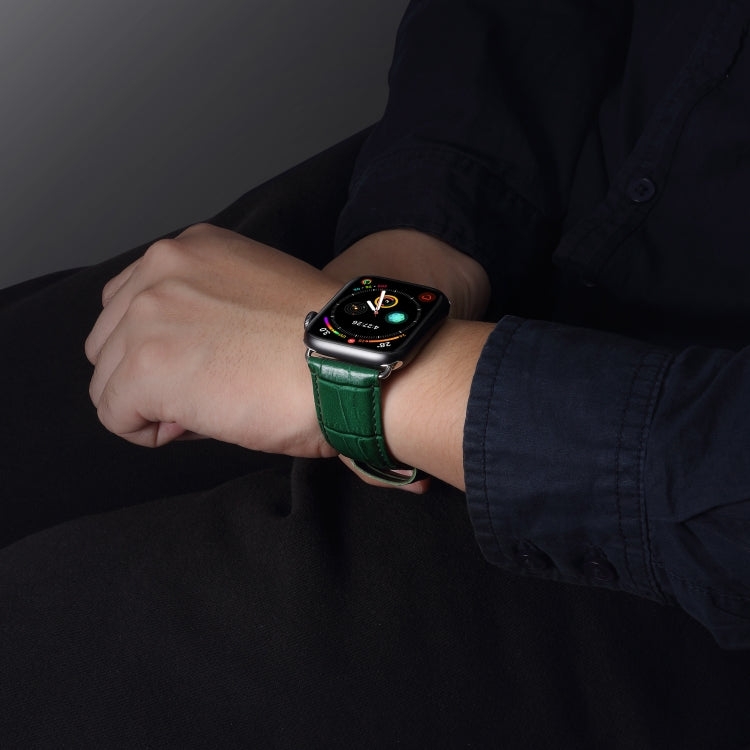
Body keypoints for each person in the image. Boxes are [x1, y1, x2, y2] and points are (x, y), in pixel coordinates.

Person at [2, 0, 750, 747]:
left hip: (688, 527)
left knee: (48, 659)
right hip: (492, 197)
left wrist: (390, 377)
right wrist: (414, 242)